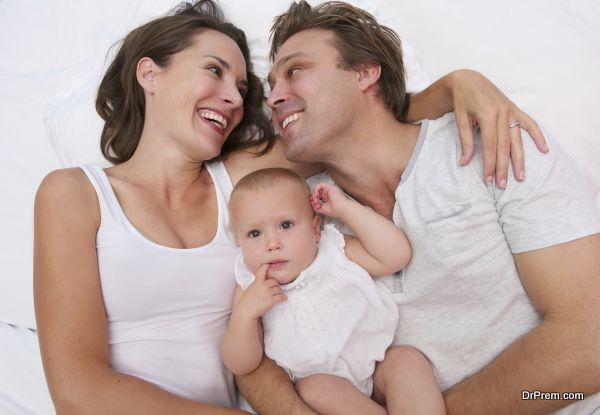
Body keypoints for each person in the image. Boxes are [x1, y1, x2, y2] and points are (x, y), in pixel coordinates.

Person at [32, 0, 546, 414]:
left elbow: (356, 118)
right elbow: (78, 391)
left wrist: (459, 84)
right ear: (149, 73)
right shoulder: (75, 194)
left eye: (239, 86)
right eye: (213, 70)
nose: (232, 97)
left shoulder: (243, 184)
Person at [234, 2, 600, 415]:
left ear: (365, 73)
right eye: (271, 83)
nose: (275, 96)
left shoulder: (493, 143)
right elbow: (249, 349)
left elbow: (591, 346)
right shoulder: (291, 212)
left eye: (295, 71)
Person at [221, 168, 445, 415]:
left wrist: (346, 209)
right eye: (254, 233)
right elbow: (241, 364)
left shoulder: (333, 248)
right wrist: (244, 316)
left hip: (376, 362)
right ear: (239, 244)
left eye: (286, 225)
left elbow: (396, 256)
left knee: (407, 362)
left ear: (315, 229)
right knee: (314, 390)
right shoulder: (249, 285)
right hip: (323, 383)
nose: (272, 244)